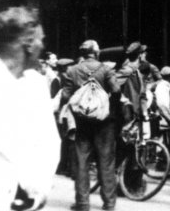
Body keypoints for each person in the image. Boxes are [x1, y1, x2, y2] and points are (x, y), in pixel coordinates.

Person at [0, 6, 60, 211]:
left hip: (30, 202)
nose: (42, 46)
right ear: (28, 43)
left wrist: (39, 190)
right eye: (41, 39)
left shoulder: (37, 85)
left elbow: (49, 142)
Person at [61, 39, 122, 211]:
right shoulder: (106, 69)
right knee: (106, 162)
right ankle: (109, 204)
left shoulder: (72, 70)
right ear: (96, 52)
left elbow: (65, 96)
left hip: (82, 123)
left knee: (82, 163)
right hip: (105, 124)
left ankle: (82, 203)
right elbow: (116, 90)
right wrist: (108, 106)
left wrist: (78, 107)